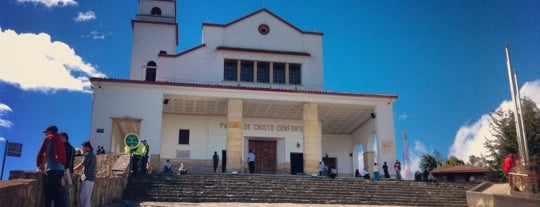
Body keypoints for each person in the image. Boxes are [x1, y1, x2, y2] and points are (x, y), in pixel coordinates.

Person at [36, 125, 67, 207]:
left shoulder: (51, 138)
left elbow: (46, 153)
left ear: (50, 131)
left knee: (50, 194)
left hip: (53, 170)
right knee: (57, 193)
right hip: (60, 170)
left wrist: (41, 166)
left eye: (46, 131)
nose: (45, 133)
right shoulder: (59, 140)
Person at [74, 141, 96, 207]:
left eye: (83, 147)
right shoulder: (92, 155)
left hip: (88, 178)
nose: (82, 148)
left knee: (84, 197)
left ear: (87, 147)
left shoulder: (88, 154)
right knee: (86, 197)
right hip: (90, 178)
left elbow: (82, 165)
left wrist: (72, 169)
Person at [60, 132, 75, 207]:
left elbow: (67, 161)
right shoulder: (72, 148)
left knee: (64, 192)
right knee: (66, 192)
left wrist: (65, 171)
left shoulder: (64, 147)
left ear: (64, 137)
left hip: (66, 172)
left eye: (60, 137)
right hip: (69, 171)